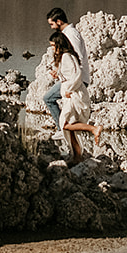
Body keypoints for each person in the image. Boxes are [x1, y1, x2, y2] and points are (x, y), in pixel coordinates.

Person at [49, 29, 101, 163]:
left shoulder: (67, 56)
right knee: (70, 127)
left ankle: (93, 129)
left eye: (53, 46)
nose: (52, 49)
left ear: (59, 44)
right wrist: (58, 75)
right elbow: (69, 74)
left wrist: (69, 89)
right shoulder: (64, 57)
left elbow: (77, 75)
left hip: (74, 94)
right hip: (70, 94)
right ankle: (77, 156)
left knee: (65, 124)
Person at [43, 7, 88, 127]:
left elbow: (76, 59)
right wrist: (58, 71)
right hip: (71, 80)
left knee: (48, 98)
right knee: (71, 114)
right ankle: (66, 131)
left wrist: (71, 84)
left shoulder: (71, 34)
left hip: (76, 80)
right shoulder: (66, 34)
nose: (51, 27)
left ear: (59, 21)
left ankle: (61, 129)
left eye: (52, 24)